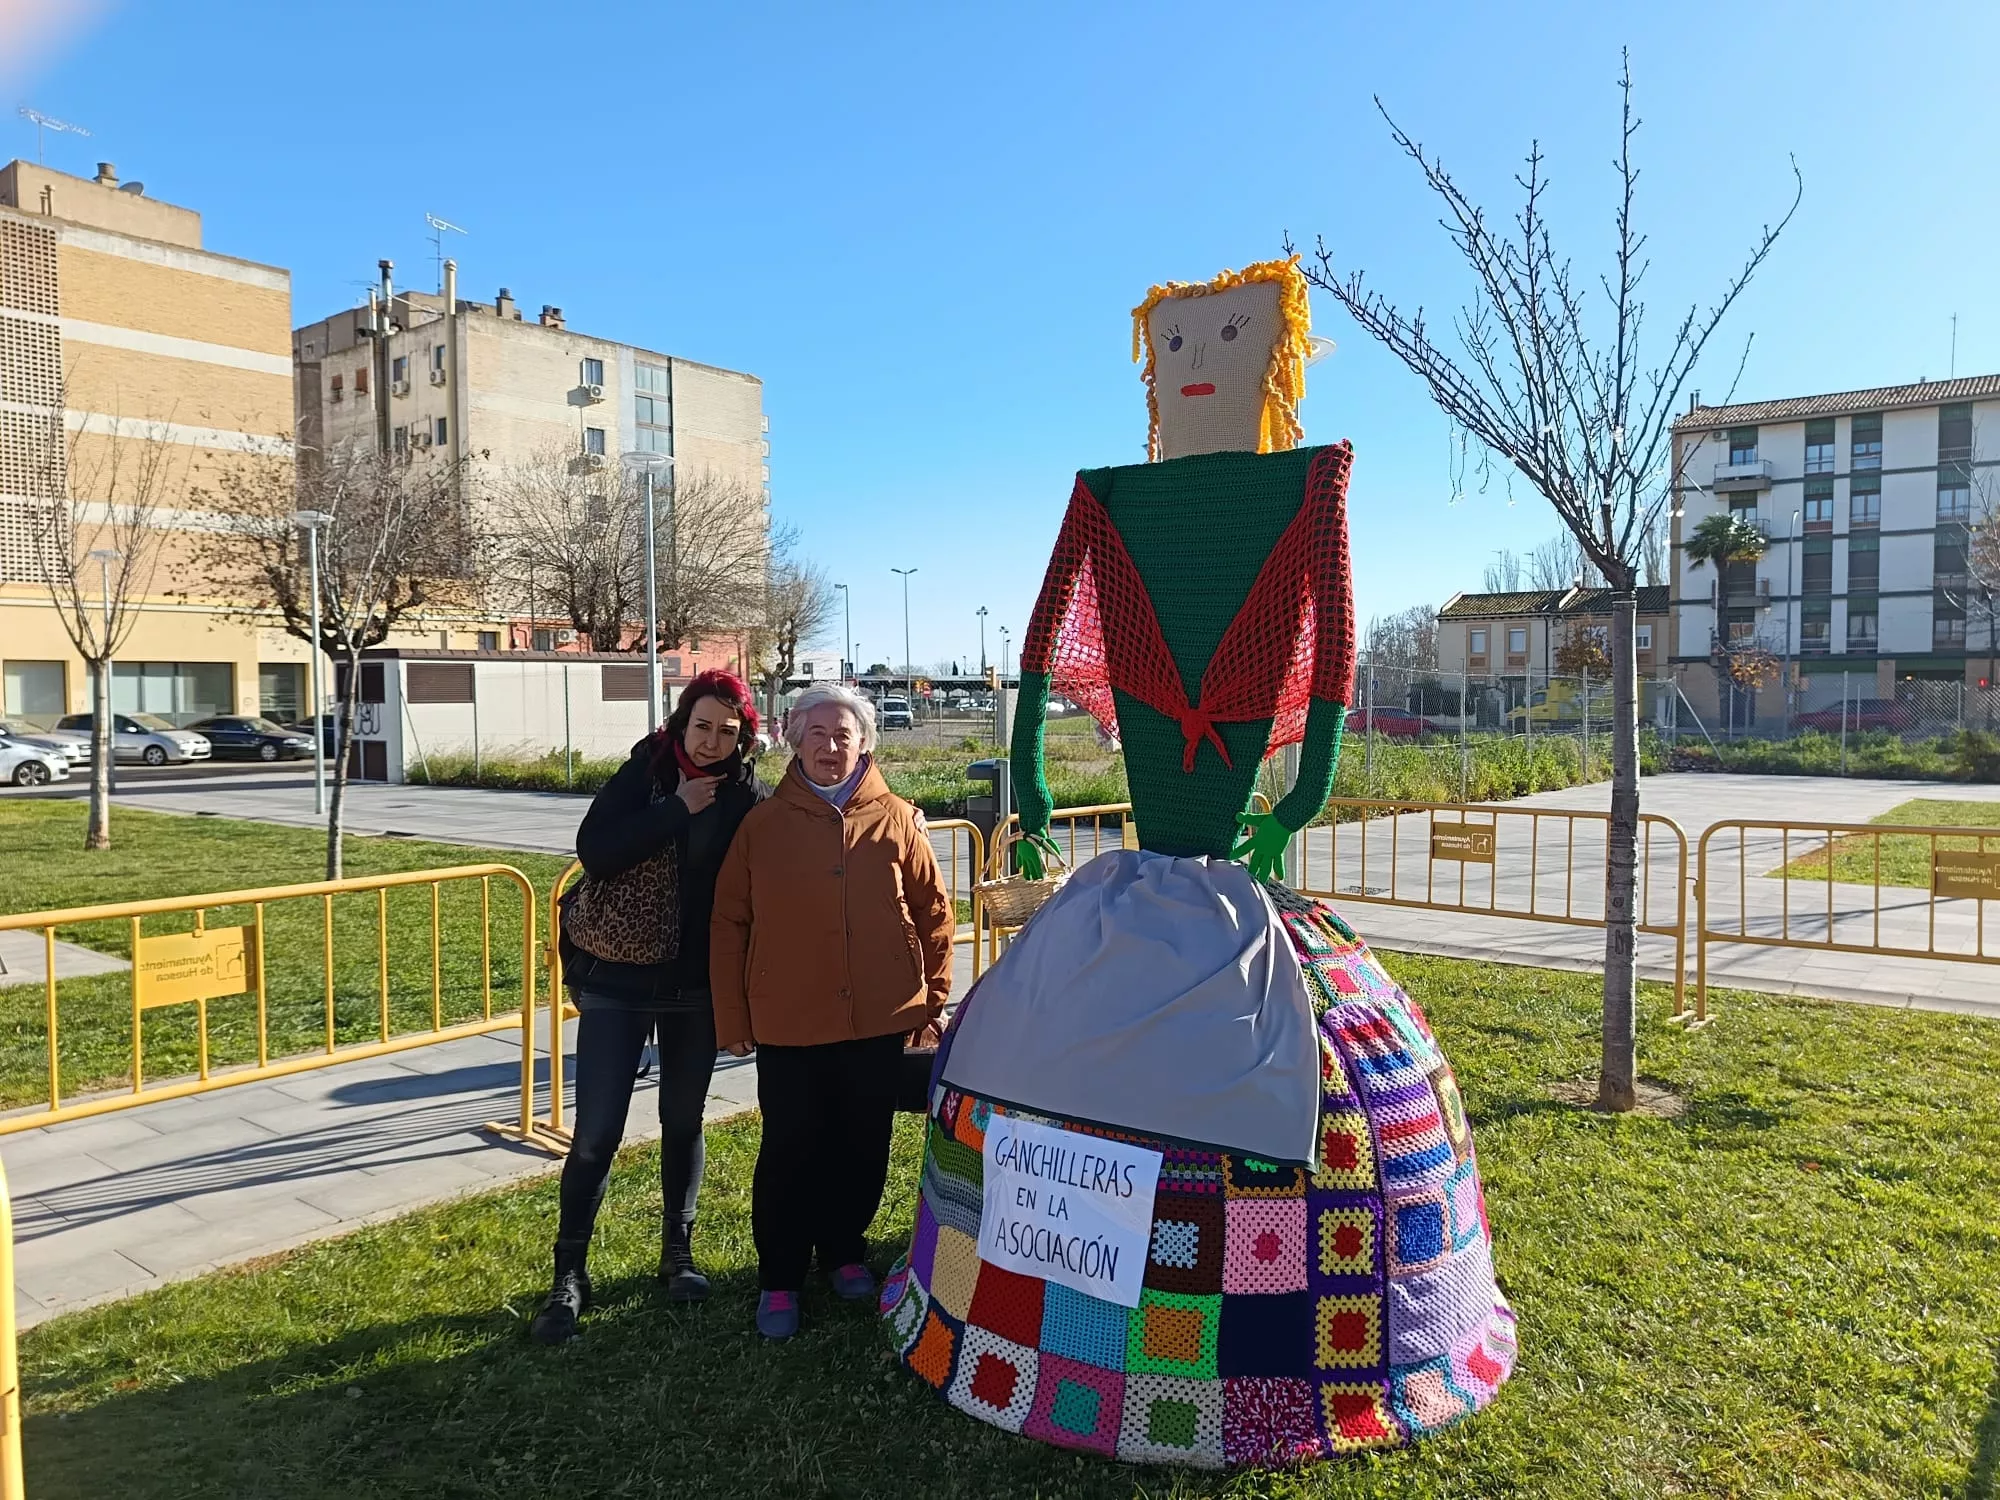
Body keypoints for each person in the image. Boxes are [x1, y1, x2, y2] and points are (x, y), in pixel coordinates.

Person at [530, 671, 769, 1345]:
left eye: (729, 731)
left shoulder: (748, 795)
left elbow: (788, 844)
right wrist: (675, 809)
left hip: (695, 987)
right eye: (703, 726)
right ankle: (569, 1275)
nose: (715, 740)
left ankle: (677, 1253)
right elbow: (595, 851)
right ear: (680, 724)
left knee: (683, 1119)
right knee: (598, 1132)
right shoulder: (646, 773)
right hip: (618, 981)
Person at [710, 682, 955, 1340]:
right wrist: (731, 1020)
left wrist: (932, 997)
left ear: (866, 744)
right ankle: (781, 1277)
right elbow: (730, 922)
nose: (829, 746)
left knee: (862, 1143)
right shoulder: (762, 827)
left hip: (880, 1017)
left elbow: (934, 911)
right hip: (789, 1022)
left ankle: (845, 1252)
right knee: (791, 1148)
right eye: (816, 733)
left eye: (843, 734)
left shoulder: (898, 817)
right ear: (793, 739)